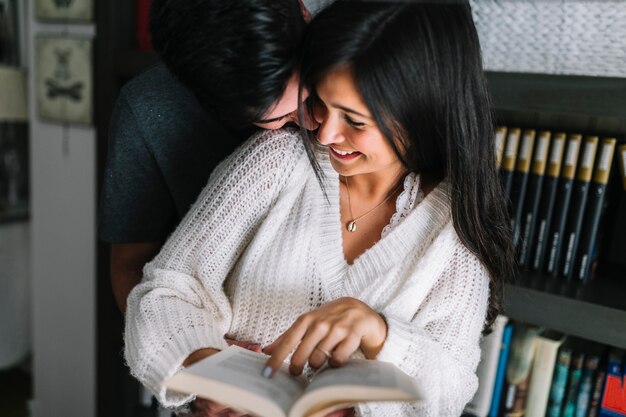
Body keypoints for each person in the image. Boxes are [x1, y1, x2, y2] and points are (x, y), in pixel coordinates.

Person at [124, 1, 515, 416]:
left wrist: (380, 334)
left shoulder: (452, 234)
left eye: (354, 121)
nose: (325, 134)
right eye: (319, 104)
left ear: (423, 110)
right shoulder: (275, 162)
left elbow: (450, 390)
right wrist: (205, 371)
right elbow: (164, 291)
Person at [99, 0, 312, 314]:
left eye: (312, 91)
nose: (317, 124)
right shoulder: (148, 111)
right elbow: (131, 265)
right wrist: (194, 348)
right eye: (283, 118)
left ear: (304, 11)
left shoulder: (369, 38)